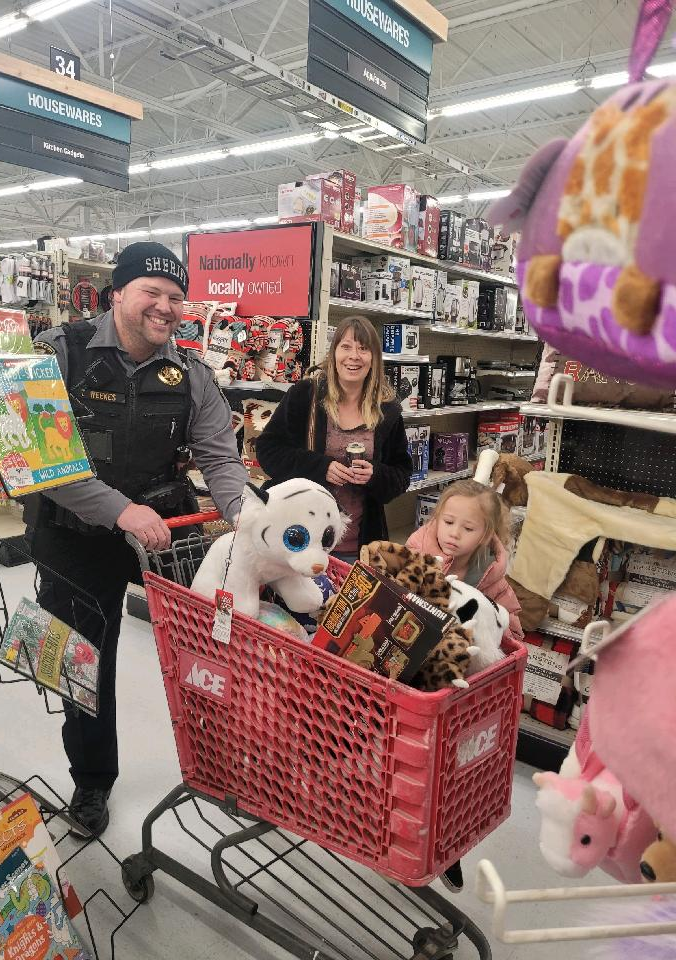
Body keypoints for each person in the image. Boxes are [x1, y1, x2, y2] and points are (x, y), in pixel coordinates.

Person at [23, 242, 249, 839]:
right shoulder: (58, 354)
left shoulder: (192, 375)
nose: (165, 306)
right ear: (117, 292)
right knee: (81, 663)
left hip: (164, 531)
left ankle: (231, 763)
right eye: (152, 291)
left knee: (222, 635)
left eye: (175, 296)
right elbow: (40, 459)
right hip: (74, 534)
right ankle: (92, 781)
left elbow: (220, 459)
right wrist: (120, 511)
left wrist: (249, 520)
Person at [406, 478, 524, 893]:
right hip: (414, 687)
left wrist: (500, 633)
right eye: (448, 521)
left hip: (462, 697)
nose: (454, 533)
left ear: (487, 534)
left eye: (468, 528)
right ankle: (403, 836)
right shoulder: (415, 553)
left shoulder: (490, 574)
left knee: (452, 774)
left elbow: (509, 627)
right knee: (409, 767)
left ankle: (446, 847)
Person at [256, 316, 411, 560]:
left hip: (356, 547)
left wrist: (375, 475)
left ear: (374, 358)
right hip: (297, 542)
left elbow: (401, 475)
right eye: (346, 347)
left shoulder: (387, 410)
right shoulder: (305, 395)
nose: (354, 356)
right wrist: (321, 467)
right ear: (334, 353)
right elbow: (268, 450)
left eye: (363, 348)